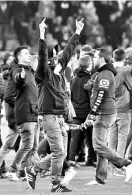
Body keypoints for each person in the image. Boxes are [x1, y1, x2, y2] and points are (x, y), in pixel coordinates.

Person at [24, 18, 83, 193]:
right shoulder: (43, 73)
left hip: (60, 117)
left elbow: (70, 50)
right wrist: (42, 34)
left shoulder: (59, 70)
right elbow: (42, 56)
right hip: (49, 116)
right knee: (59, 152)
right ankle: (56, 183)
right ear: (50, 58)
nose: (59, 55)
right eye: (55, 53)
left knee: (61, 153)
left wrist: (78, 31)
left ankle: (34, 169)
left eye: (59, 53)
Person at [84, 48, 132, 186]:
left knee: (98, 145)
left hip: (104, 113)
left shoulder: (105, 73)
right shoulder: (102, 73)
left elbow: (101, 94)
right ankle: (100, 178)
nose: (93, 59)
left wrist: (93, 113)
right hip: (105, 112)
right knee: (101, 146)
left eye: (95, 57)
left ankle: (125, 163)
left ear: (101, 59)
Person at [3, 45, 40, 181]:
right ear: (19, 57)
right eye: (26, 54)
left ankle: (24, 173)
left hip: (34, 112)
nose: (29, 55)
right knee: (27, 145)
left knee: (34, 147)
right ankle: (13, 170)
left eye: (29, 53)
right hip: (26, 113)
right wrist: (21, 77)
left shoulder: (30, 70)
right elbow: (18, 79)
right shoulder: (18, 70)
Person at [108, 48, 132, 176]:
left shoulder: (108, 71)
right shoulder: (123, 72)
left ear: (113, 57)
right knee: (122, 138)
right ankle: (118, 166)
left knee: (111, 139)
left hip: (110, 108)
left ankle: (111, 165)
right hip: (123, 108)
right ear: (124, 59)